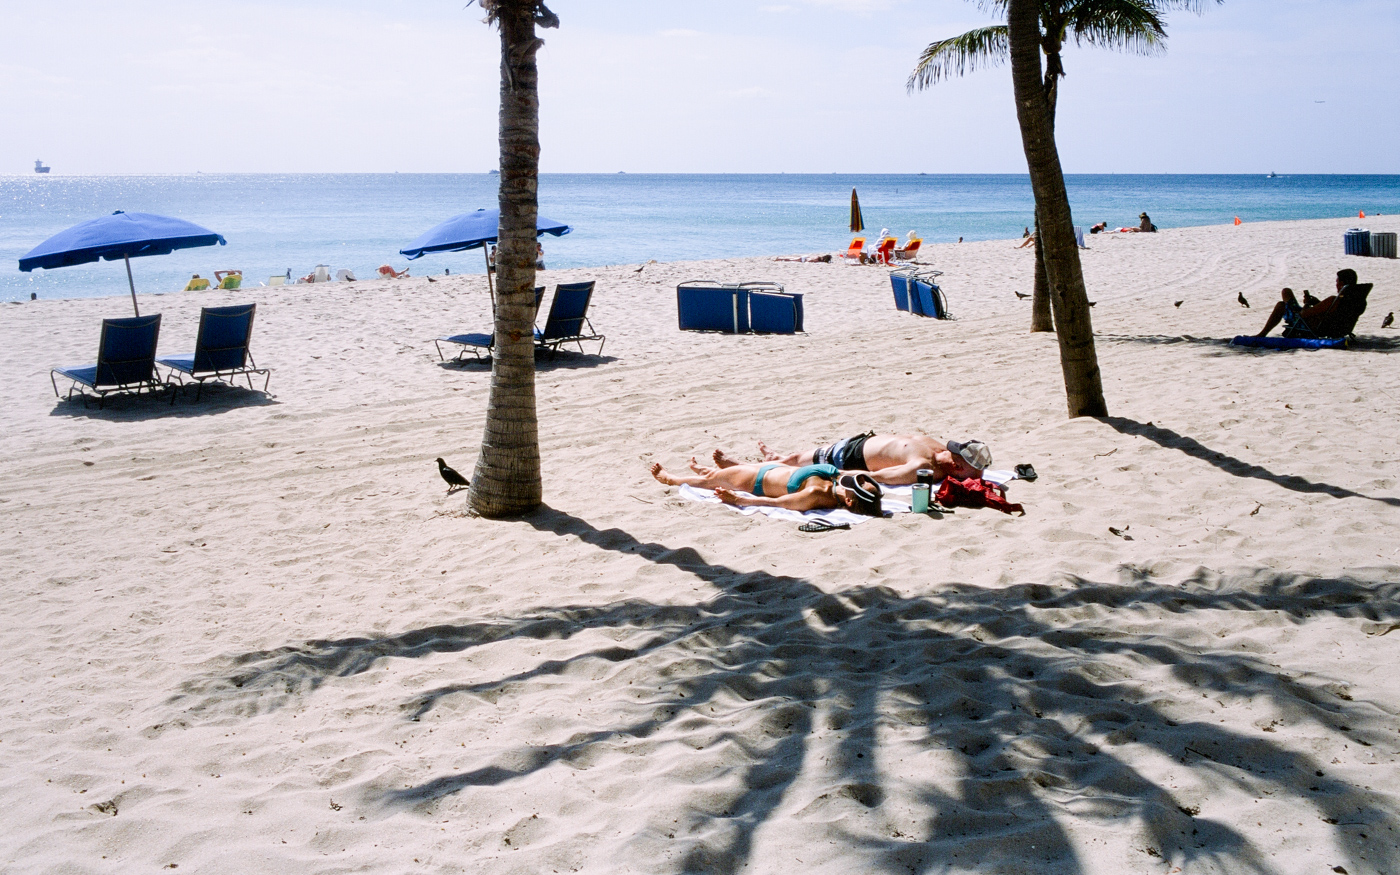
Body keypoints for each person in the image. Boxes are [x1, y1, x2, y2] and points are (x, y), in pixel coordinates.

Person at [650, 458, 883, 516]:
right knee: (720, 474)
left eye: (853, 488)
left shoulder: (814, 495)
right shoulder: (835, 483)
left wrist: (738, 500)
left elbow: (776, 503)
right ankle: (720, 469)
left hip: (756, 481)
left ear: (850, 501)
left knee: (707, 482)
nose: (851, 483)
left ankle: (670, 478)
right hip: (775, 468)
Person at [749, 433, 991, 486]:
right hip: (859, 441)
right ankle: (776, 457)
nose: (946, 449)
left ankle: (743, 468)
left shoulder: (924, 468)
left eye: (953, 452)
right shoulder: (938, 452)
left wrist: (835, 474)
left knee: (792, 462)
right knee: (793, 458)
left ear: (956, 466)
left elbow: (877, 477)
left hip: (846, 457)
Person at [1255, 269, 1367, 338]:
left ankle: (1262, 334)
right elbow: (1330, 311)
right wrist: (1317, 302)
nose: (1336, 284)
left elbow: (1303, 314)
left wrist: (1307, 303)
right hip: (1337, 328)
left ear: (1341, 284)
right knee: (1286, 295)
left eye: (1337, 282)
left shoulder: (1334, 300)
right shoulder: (1357, 301)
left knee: (1283, 300)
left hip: (1309, 324)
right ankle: (1262, 333)